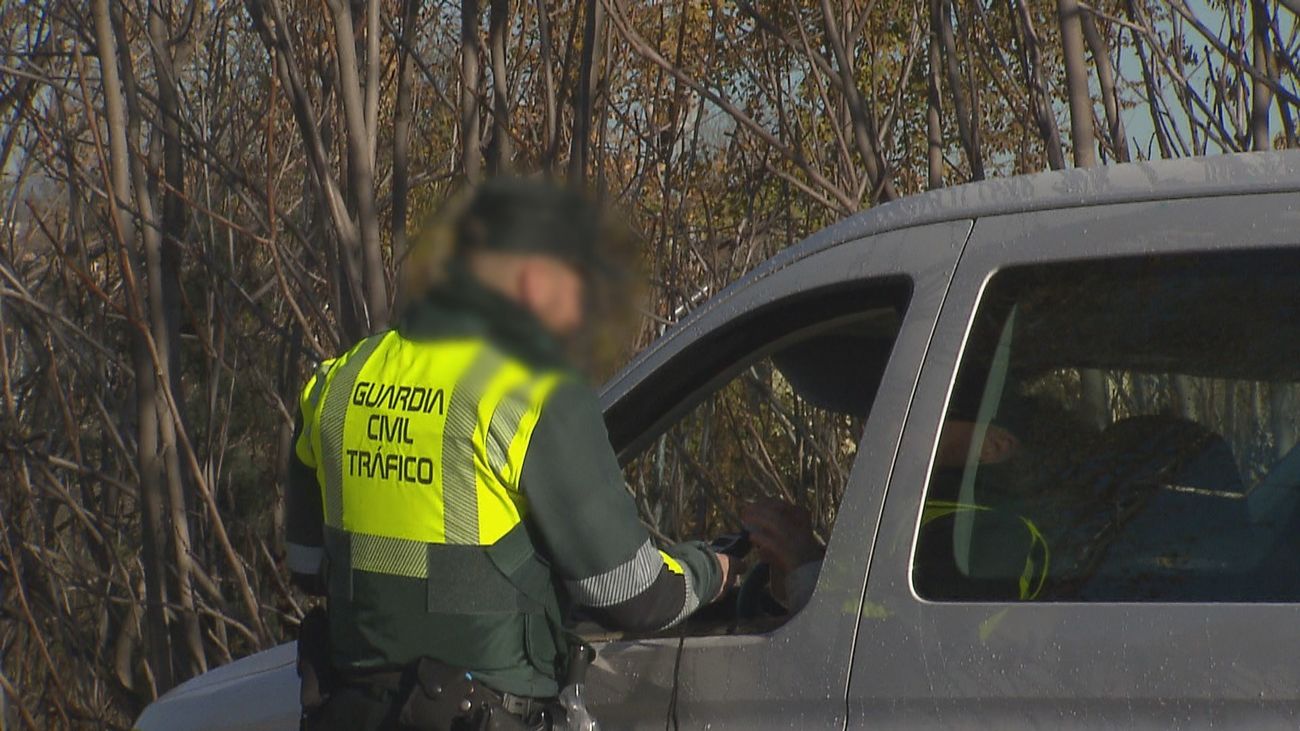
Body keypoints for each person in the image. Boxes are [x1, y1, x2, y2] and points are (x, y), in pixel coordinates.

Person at [284, 178, 737, 731]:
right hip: (483, 714)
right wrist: (718, 569)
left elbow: (307, 566)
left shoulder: (338, 381)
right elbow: (630, 594)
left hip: (349, 710)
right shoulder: (530, 392)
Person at [741, 420, 1025, 613]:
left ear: (996, 444)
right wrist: (796, 564)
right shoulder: (923, 510)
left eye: (915, 412)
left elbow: (889, 645)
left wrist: (803, 568)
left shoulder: (995, 542)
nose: (875, 430)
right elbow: (864, 594)